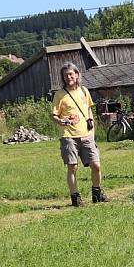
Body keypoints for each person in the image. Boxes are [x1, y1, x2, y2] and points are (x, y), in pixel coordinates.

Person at [51, 62, 107, 207]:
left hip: (86, 134)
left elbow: (89, 110)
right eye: (65, 75)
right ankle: (75, 198)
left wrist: (92, 129)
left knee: (96, 165)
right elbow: (54, 115)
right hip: (68, 136)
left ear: (76, 75)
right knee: (73, 167)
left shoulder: (84, 91)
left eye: (71, 74)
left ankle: (97, 193)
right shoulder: (59, 94)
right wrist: (62, 121)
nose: (68, 77)